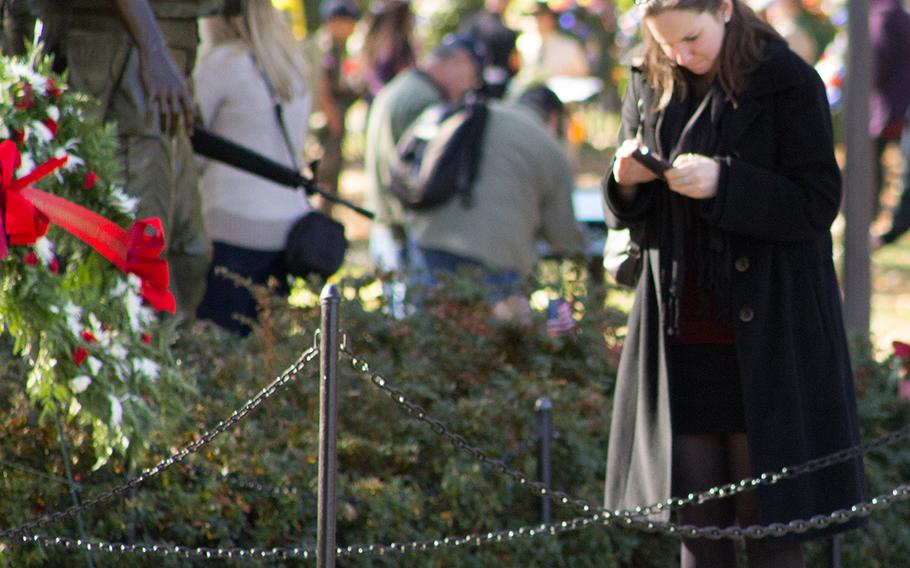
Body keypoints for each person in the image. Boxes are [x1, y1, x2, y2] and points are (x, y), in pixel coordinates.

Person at [602, 1, 866, 566]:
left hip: (769, 330)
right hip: (681, 326)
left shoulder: (786, 79)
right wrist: (624, 183)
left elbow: (817, 202)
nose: (681, 55)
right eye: (667, 44)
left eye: (692, 38)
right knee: (698, 529)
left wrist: (726, 183)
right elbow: (631, 215)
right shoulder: (650, 79)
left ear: (725, 9)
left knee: (772, 526)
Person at [32, 0, 222, 322]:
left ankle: (165, 357)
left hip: (165, 53)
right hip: (128, 62)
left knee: (189, 254)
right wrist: (153, 48)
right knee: (142, 263)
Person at [408, 85, 585, 322]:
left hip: (430, 242)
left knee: (432, 339)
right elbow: (563, 237)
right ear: (554, 118)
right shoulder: (550, 146)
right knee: (492, 348)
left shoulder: (479, 113)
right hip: (497, 261)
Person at [194, 0, 313, 335]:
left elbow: (193, 149)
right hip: (288, 225)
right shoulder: (292, 63)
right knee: (265, 345)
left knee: (219, 340)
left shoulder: (222, 64)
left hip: (232, 223)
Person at [363, 34, 486, 280]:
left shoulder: (405, 85)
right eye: (473, 77)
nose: (471, 87)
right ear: (459, 61)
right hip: (401, 228)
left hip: (386, 221)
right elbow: (424, 174)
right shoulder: (424, 101)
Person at [313, 0, 362, 215]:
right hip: (323, 122)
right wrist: (332, 117)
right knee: (324, 171)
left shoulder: (338, 46)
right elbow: (320, 84)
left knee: (332, 173)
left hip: (332, 118)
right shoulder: (325, 45)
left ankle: (326, 214)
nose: (352, 27)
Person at [869, 0, 910, 249]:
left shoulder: (884, 17)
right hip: (892, 107)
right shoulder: (891, 15)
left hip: (889, 109)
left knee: (869, 168)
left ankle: (876, 231)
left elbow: (874, 66)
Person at [458, 0, 520, 98]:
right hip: (473, 80)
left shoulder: (508, 30)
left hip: (499, 84)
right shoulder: (473, 24)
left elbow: (512, 62)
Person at [516, 0, 589, 83]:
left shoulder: (569, 45)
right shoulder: (523, 44)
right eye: (536, 17)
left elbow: (582, 73)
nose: (539, 21)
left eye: (542, 17)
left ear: (551, 19)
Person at [361, 0, 416, 103]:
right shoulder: (394, 46)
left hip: (383, 97)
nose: (412, 20)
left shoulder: (395, 44)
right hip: (386, 98)